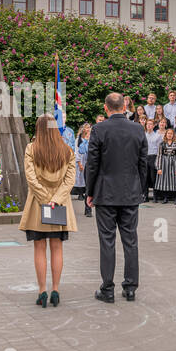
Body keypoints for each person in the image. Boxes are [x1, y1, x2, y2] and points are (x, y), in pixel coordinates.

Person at [86, 92, 146, 303]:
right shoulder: (138, 129)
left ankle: (108, 288)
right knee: (130, 240)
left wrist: (90, 192)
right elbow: (142, 163)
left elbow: (92, 164)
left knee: (107, 241)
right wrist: (142, 190)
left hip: (106, 192)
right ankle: (130, 287)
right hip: (130, 192)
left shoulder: (99, 129)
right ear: (124, 107)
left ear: (106, 108)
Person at [19, 115, 78, 308]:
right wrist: (55, 200)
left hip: (38, 205)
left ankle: (42, 290)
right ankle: (56, 290)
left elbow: (31, 178)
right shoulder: (67, 151)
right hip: (59, 207)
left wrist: (45, 199)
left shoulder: (31, 149)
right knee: (57, 247)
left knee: (39, 248)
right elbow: (70, 181)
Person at [154, 128, 176, 204]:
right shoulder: (162, 144)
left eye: (171, 134)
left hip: (174, 164)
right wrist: (159, 168)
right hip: (164, 164)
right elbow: (159, 155)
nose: (169, 135)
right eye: (168, 133)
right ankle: (165, 197)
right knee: (165, 180)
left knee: (175, 180)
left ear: (173, 135)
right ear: (166, 134)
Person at [144, 118, 161, 201]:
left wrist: (158, 160)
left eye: (151, 124)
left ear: (154, 125)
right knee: (145, 177)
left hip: (154, 157)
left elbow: (159, 149)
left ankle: (155, 196)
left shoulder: (157, 136)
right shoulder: (143, 135)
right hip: (145, 157)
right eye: (148, 124)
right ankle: (145, 196)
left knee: (153, 177)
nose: (149, 126)